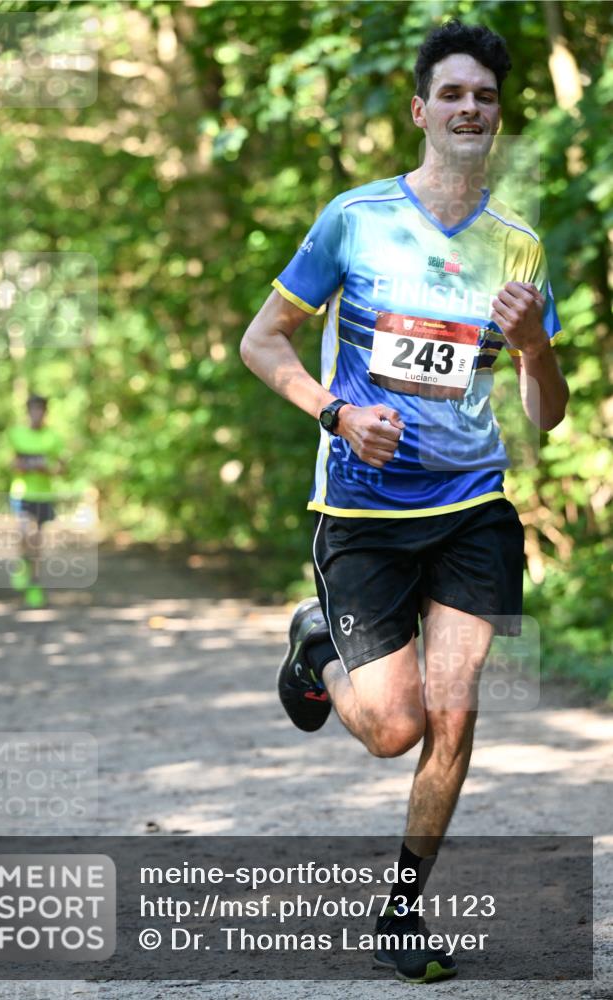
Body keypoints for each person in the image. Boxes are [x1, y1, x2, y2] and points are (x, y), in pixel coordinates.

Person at [240, 18, 568, 983]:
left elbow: (545, 415)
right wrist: (335, 413)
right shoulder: (354, 217)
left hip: (472, 504)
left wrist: (538, 349)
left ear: (496, 119)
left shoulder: (517, 249)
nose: (471, 108)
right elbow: (264, 342)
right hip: (364, 507)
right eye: (453, 94)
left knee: (456, 711)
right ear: (421, 109)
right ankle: (315, 650)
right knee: (395, 728)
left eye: (486, 98)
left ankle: (400, 911)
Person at [8, 394, 64, 608]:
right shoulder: (16, 434)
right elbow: (13, 464)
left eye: (40, 409)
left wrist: (48, 469)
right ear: (27, 412)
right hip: (22, 493)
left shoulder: (53, 438)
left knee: (38, 542)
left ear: (45, 412)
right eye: (33, 409)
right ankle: (22, 563)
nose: (36, 413)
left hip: (44, 495)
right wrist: (24, 467)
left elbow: (62, 467)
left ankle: (34, 585)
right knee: (25, 533)